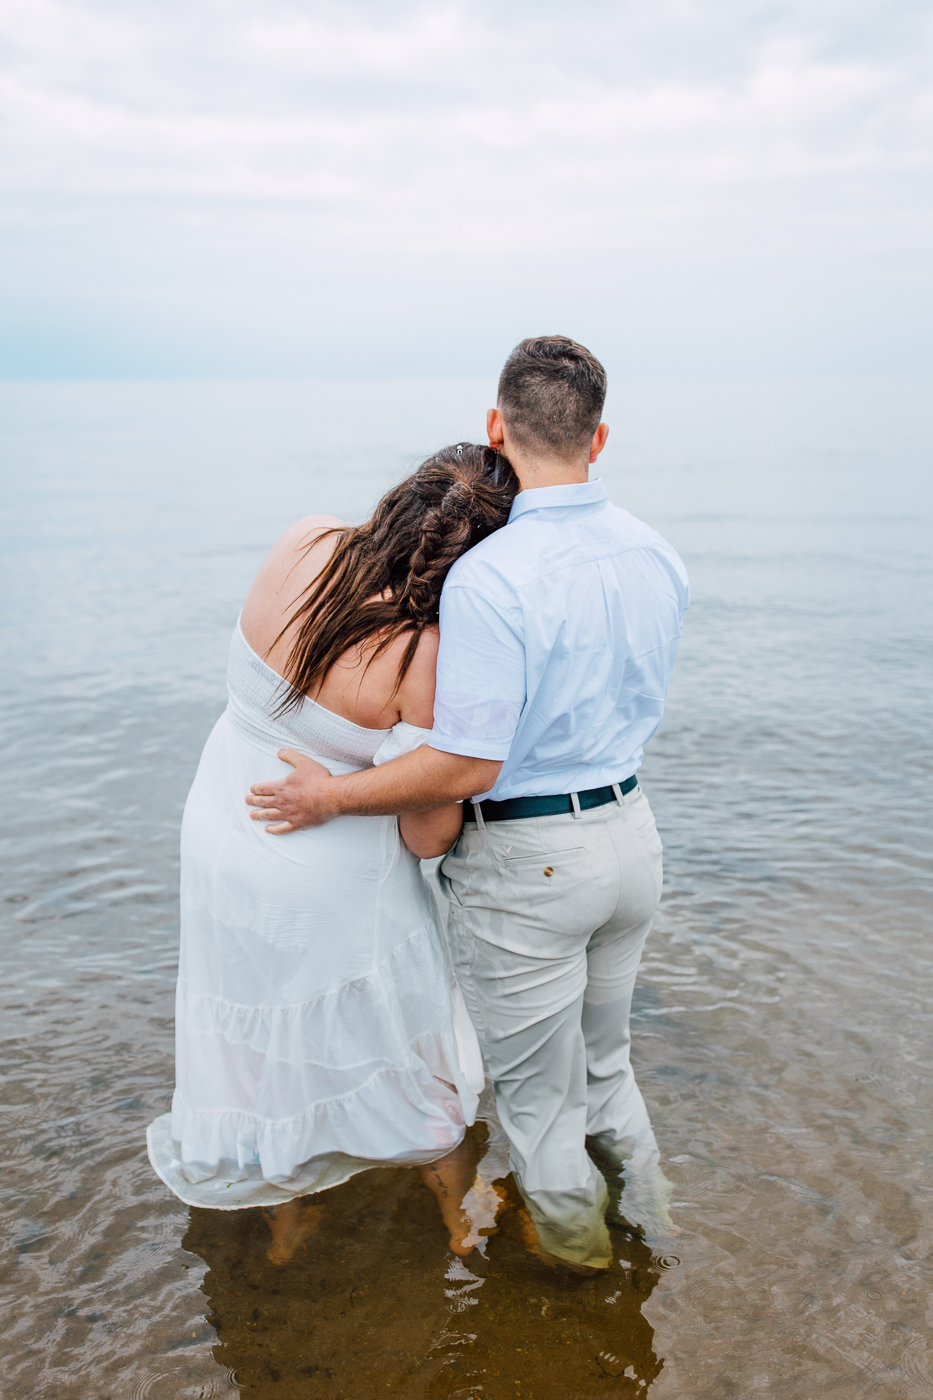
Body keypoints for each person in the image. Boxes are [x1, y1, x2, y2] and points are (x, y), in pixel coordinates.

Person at [246, 336, 690, 1272]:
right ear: (598, 438)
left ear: (497, 425)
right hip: (633, 838)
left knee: (536, 1105)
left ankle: (577, 1275)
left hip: (533, 863)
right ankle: (655, 1228)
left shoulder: (490, 578)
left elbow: (465, 767)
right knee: (607, 1069)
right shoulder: (658, 554)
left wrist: (330, 796)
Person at [147, 444, 518, 1264]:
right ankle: (455, 1205)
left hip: (221, 824)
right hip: (320, 858)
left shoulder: (305, 540)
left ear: (398, 499)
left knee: (255, 1023)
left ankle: (285, 1212)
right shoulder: (424, 654)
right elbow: (427, 832)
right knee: (400, 1020)